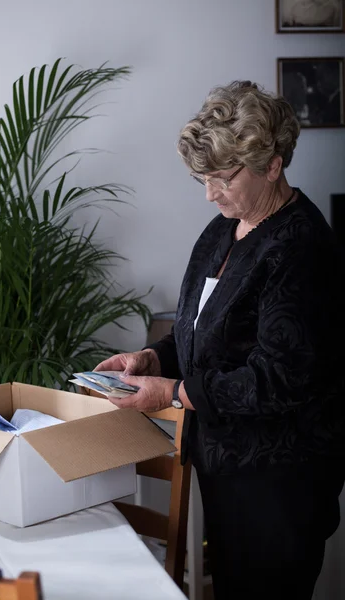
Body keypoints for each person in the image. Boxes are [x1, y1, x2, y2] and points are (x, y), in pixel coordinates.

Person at [94, 81, 345, 600]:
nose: (210, 194)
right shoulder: (222, 229)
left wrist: (173, 392)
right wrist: (151, 358)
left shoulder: (301, 250)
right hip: (227, 469)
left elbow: (275, 379)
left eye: (222, 178)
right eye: (201, 179)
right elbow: (201, 333)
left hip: (280, 484)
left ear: (272, 164)